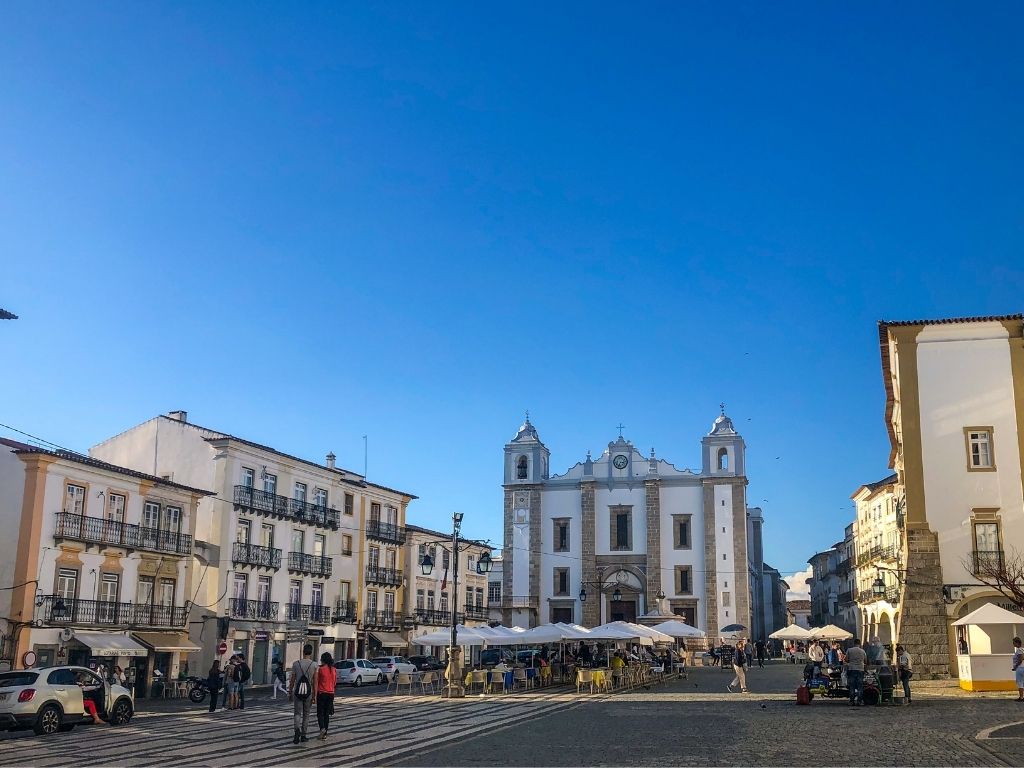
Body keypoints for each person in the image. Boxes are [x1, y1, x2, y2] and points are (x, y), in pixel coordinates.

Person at [290, 644, 319, 744]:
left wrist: (290, 692)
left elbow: (292, 680)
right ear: (311, 653)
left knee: (297, 713)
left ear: (303, 651)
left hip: (297, 692)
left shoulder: (296, 664)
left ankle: (296, 730)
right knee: (306, 714)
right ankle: (303, 735)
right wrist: (315, 695)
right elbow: (315, 682)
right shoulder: (314, 665)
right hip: (308, 693)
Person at [315, 652, 336, 740]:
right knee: (326, 713)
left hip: (322, 692)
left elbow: (317, 681)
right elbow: (335, 682)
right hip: (331, 693)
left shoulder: (321, 669)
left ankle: (322, 729)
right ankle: (325, 733)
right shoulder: (334, 669)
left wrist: (314, 694)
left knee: (320, 713)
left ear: (323, 660)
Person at [845, 638, 867, 706]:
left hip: (852, 669)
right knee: (860, 686)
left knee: (852, 686)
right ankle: (859, 701)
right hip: (860, 669)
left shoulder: (849, 650)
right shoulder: (863, 651)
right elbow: (865, 661)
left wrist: (851, 661)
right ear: (859, 644)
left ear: (854, 643)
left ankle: (851, 701)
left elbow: (846, 659)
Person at [1012, 637, 1024, 702]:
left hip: (1020, 668)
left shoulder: (1019, 650)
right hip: (1023, 667)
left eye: (1014, 642)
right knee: (1023, 682)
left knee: (1020, 682)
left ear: (1017, 643)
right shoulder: (1023, 649)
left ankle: (1021, 697)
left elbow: (1021, 658)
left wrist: (1015, 666)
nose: (1013, 644)